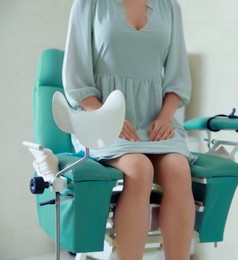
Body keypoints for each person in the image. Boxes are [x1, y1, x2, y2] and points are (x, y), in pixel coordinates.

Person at [62, 0, 195, 259]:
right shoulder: (88, 4)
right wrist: (107, 115)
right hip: (101, 120)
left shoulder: (170, 7)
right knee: (139, 168)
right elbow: (75, 78)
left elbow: (178, 76)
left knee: (180, 170)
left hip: (156, 122)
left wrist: (166, 117)